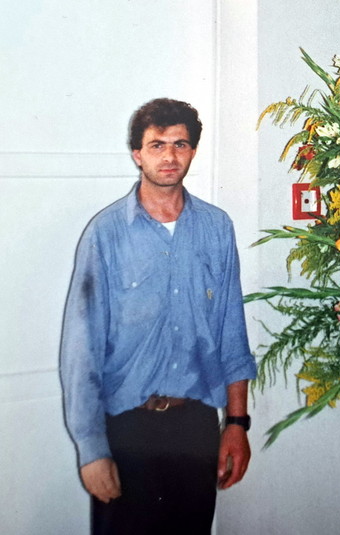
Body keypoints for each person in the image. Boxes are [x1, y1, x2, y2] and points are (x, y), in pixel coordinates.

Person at [60, 97, 257, 535]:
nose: (169, 156)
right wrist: (92, 450)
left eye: (180, 144)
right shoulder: (105, 234)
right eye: (157, 145)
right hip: (127, 430)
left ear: (193, 151)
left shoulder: (217, 228)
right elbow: (81, 351)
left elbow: (232, 333)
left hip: (196, 428)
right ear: (137, 154)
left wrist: (236, 425)